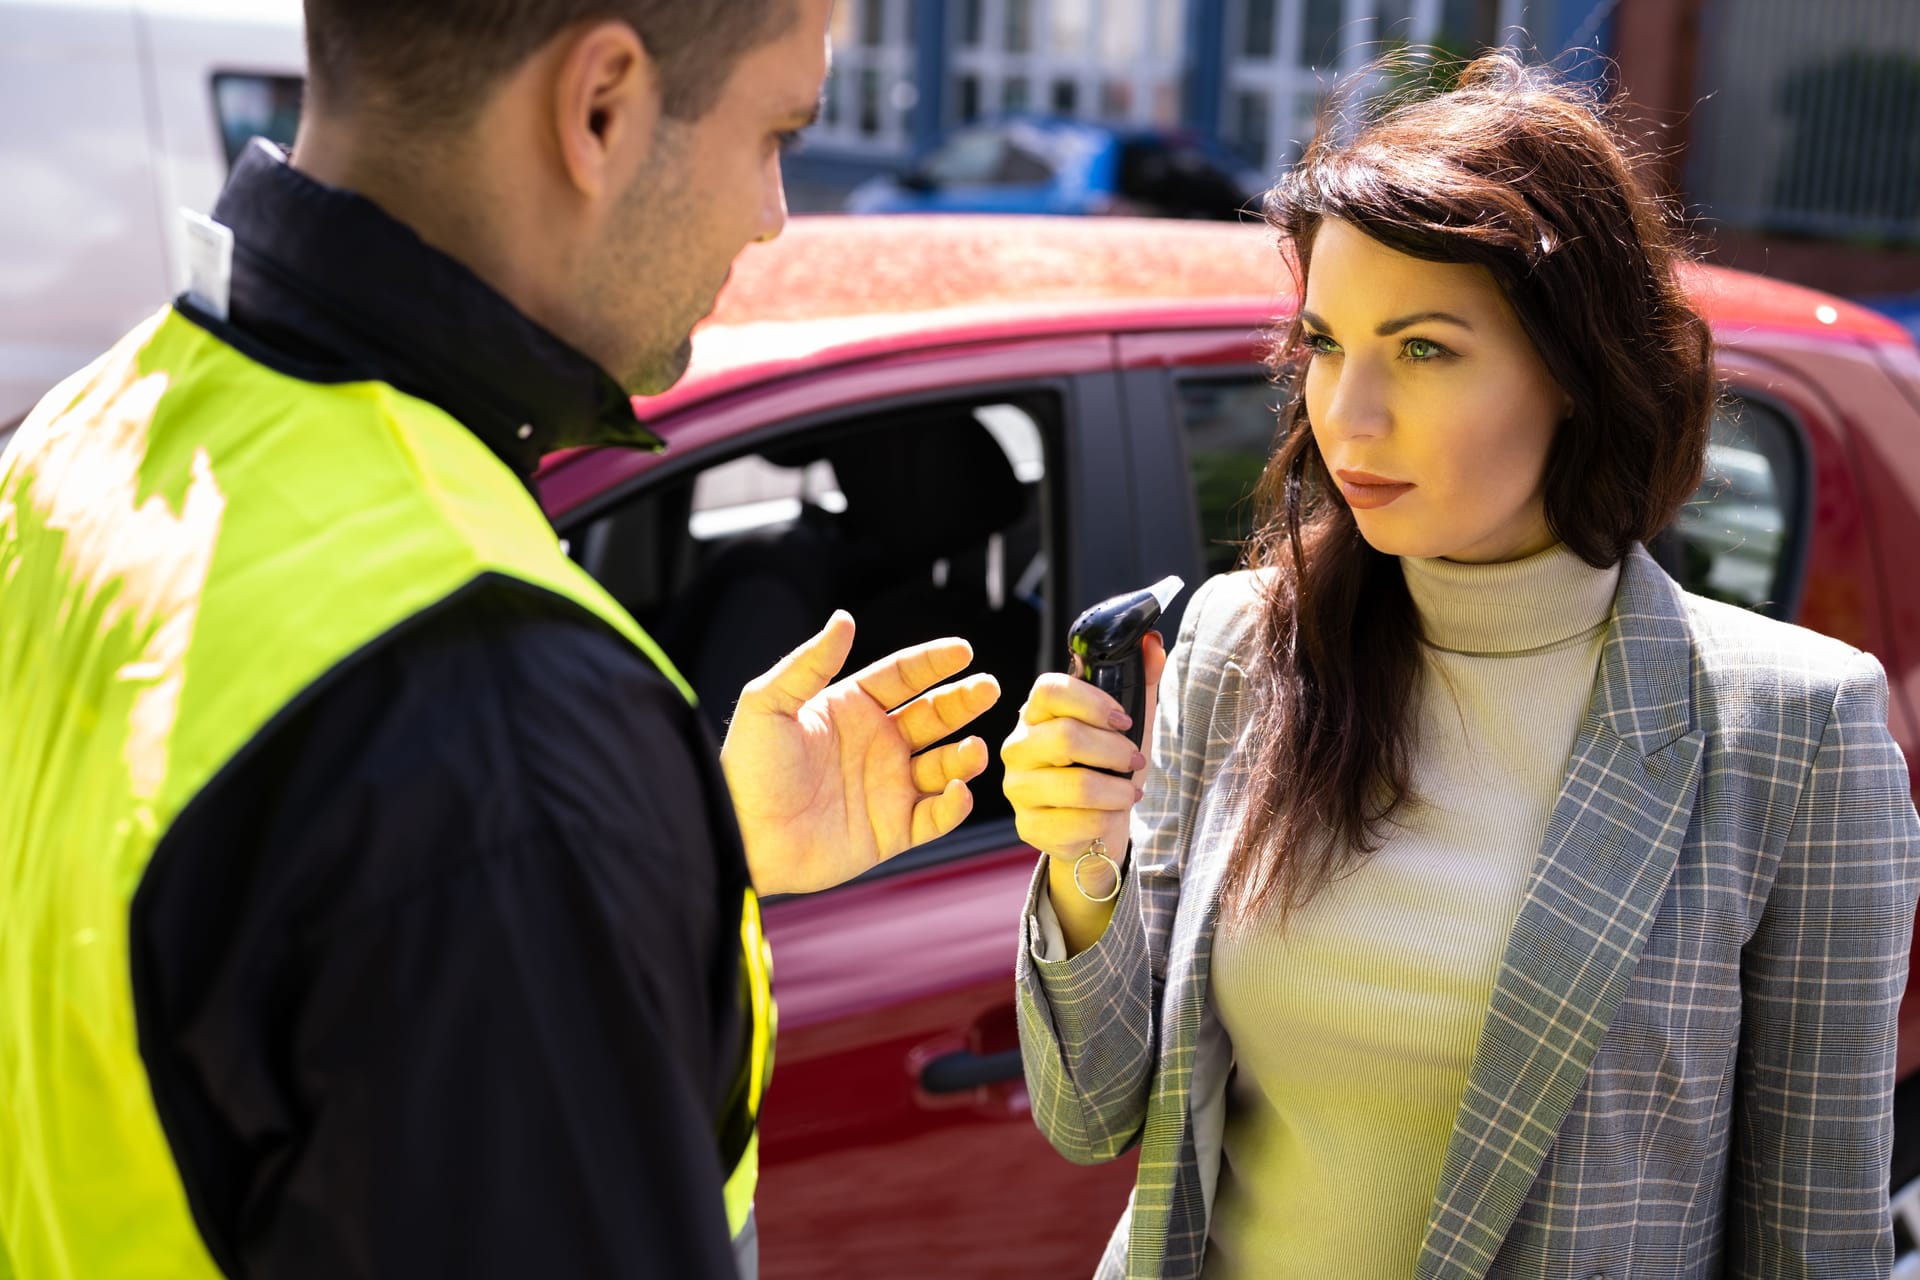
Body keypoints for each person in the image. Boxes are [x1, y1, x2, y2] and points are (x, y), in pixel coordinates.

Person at [0, 1, 1003, 1277]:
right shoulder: (504, 729)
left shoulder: (76, 443)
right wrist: (589, 848)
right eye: (776, 133)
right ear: (600, 107)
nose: (774, 214)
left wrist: (697, 847)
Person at [1002, 51, 1920, 1280]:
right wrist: (1081, 861)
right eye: (1325, 343)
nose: (1349, 413)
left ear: (1576, 372)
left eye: (1425, 349)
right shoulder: (1242, 641)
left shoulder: (1797, 732)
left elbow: (1817, 1244)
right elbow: (1093, 1108)